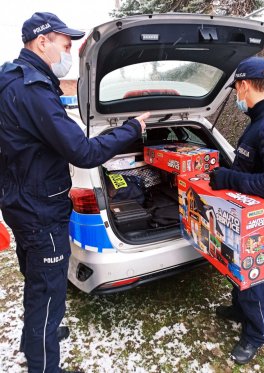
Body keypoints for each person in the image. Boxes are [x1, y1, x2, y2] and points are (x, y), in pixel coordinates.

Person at [0, 12, 150, 373]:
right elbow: (83, 152)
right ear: (42, 42)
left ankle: (36, 339)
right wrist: (132, 128)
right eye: (65, 46)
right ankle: (44, 363)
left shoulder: (9, 80)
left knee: (38, 282)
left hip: (21, 200)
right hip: (40, 211)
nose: (67, 53)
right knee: (48, 292)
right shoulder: (33, 89)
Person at [209, 56, 264, 365]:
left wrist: (228, 178)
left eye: (236, 88)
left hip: (263, 222)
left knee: (257, 277)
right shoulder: (259, 121)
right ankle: (239, 309)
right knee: (238, 269)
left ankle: (255, 334)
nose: (236, 94)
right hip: (244, 217)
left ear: (244, 85)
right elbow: (253, 167)